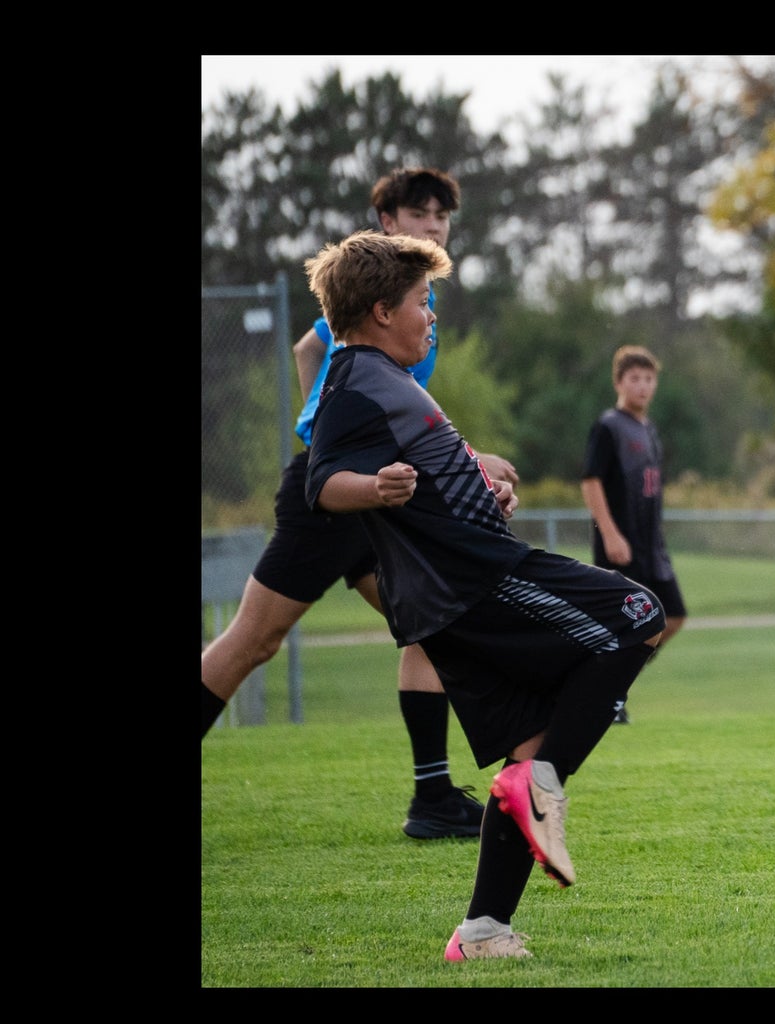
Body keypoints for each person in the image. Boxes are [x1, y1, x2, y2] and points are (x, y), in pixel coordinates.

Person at [304, 230, 664, 960]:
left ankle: (482, 929)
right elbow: (320, 483)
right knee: (638, 614)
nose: (431, 316)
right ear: (379, 311)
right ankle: (545, 790)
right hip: (473, 581)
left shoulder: (387, 378)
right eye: (422, 301)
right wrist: (373, 487)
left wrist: (480, 490)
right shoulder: (351, 381)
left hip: (460, 584)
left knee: (528, 743)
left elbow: (431, 479)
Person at [202, 168, 518, 842]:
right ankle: (436, 794)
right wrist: (328, 438)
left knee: (436, 626)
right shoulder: (372, 290)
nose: (434, 224)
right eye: (420, 212)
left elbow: (404, 415)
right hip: (338, 496)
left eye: (443, 214)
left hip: (382, 493)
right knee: (253, 642)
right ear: (387, 219)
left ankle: (433, 797)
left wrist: (463, 457)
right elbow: (311, 348)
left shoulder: (412, 305)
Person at [581, 345, 688, 723]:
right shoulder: (609, 427)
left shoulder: (648, 429)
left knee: (673, 616)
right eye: (634, 379)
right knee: (627, 624)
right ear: (619, 382)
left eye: (648, 379)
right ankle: (602, 692)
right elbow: (591, 481)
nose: (642, 386)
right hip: (621, 545)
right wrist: (610, 534)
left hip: (651, 546)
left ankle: (613, 685)